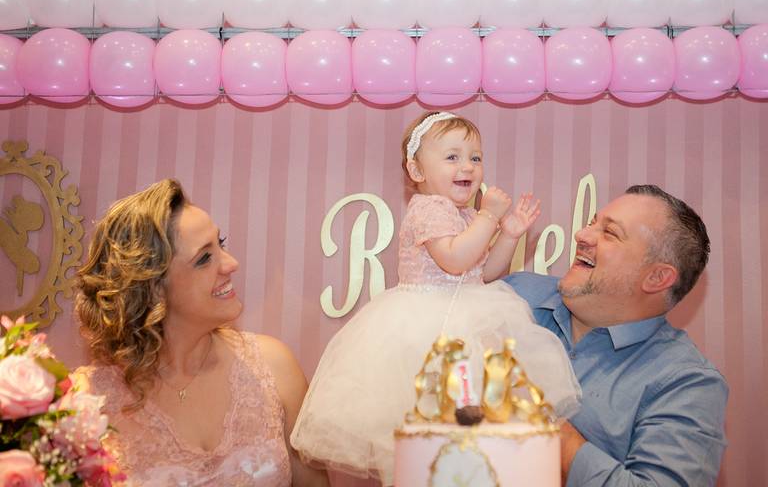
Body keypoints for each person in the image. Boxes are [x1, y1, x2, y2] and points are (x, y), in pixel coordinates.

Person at [290, 111, 581, 485]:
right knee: (428, 431)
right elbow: (456, 260)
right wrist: (489, 217)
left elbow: (483, 273)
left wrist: (508, 233)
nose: (468, 166)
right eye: (452, 156)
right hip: (427, 331)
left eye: (475, 157)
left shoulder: (462, 215)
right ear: (416, 170)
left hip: (465, 325)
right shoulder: (429, 208)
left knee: (465, 433)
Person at [73, 179, 329, 486]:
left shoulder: (274, 367)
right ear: (153, 287)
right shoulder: (89, 401)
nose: (231, 264)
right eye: (204, 258)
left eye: (220, 245)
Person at [504, 184, 728, 486]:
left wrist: (545, 420)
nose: (582, 236)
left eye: (609, 233)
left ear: (656, 277)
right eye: (592, 223)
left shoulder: (687, 383)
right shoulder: (514, 294)